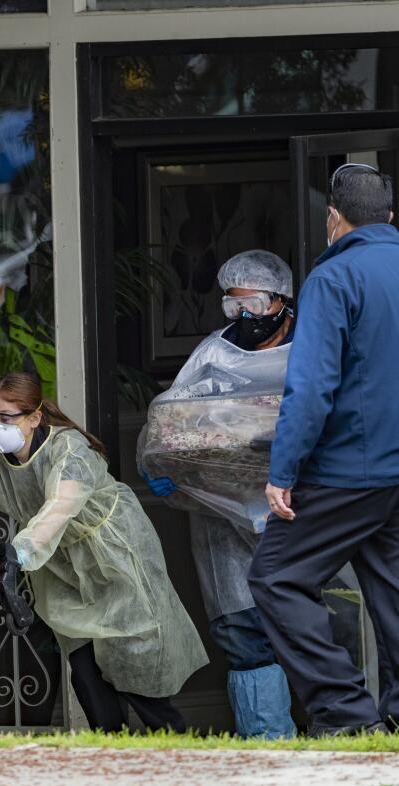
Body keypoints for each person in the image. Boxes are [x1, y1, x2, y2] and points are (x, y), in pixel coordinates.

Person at [0, 372, 207, 733]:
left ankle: (177, 753)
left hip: (112, 552)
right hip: (58, 563)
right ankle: (112, 758)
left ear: (34, 418)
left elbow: (60, 507)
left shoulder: (68, 449)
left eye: (6, 418)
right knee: (86, 675)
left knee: (136, 668)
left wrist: (19, 553)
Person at [249, 163, 399, 736]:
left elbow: (310, 388)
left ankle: (347, 716)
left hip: (348, 471)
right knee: (391, 596)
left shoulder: (334, 279)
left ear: (334, 218)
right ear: (389, 217)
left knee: (276, 578)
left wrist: (282, 471)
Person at [142, 250, 298, 739]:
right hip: (221, 526)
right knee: (244, 633)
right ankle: (269, 750)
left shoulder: (312, 348)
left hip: (296, 513)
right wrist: (160, 463)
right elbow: (169, 420)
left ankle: (340, 745)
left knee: (315, 627)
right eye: (234, 306)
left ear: (281, 300)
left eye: (252, 303)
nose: (244, 317)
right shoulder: (214, 352)